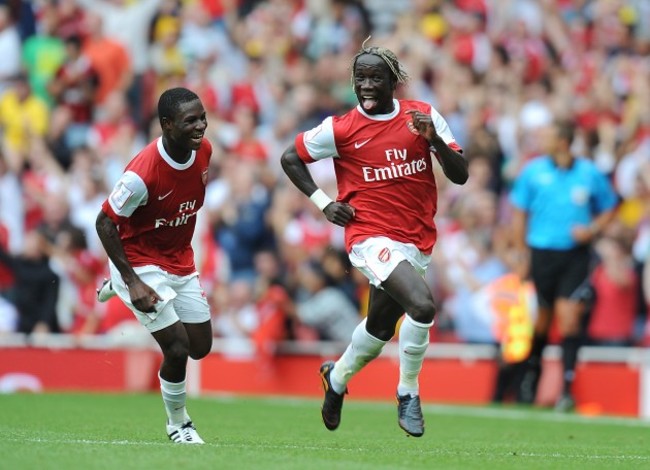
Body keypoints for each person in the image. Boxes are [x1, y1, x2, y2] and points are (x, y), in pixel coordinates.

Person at [280, 40, 468, 437]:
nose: (366, 85)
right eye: (359, 78)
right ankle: (408, 392)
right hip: (369, 236)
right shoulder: (342, 128)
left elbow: (460, 174)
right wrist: (323, 203)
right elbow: (290, 157)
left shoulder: (423, 116)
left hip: (417, 239)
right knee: (421, 305)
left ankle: (335, 378)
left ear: (393, 81)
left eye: (374, 78)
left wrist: (433, 139)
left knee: (380, 329)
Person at [95, 87, 212, 444]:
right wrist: (133, 281)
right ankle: (178, 424)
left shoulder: (204, 152)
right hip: (140, 263)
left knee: (199, 346)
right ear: (166, 124)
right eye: (190, 120)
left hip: (179, 260)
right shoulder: (141, 174)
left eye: (202, 117)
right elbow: (104, 222)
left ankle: (115, 284)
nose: (201, 126)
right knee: (176, 348)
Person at [510, 120, 618, 412]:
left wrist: (592, 229)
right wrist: (521, 254)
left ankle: (567, 390)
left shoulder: (589, 173)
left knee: (569, 318)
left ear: (563, 142)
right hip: (541, 253)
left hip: (575, 255)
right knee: (542, 321)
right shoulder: (533, 171)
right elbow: (519, 213)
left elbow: (610, 206)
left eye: (548, 137)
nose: (542, 141)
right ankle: (531, 378)